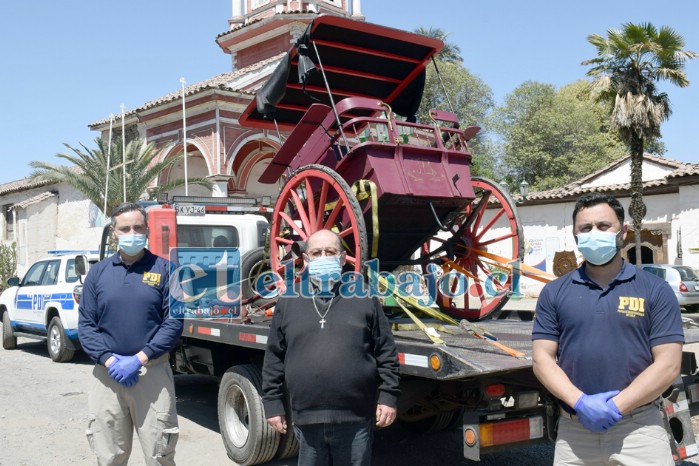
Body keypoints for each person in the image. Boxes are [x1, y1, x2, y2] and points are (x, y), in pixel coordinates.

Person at [532, 192, 684, 465]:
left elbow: (669, 365)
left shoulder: (656, 290)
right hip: (575, 431)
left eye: (603, 226)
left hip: (640, 428)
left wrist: (615, 407)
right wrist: (581, 404)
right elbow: (542, 359)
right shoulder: (553, 293)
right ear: (575, 236)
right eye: (585, 228)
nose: (594, 233)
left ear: (622, 232)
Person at [262, 229, 400, 466]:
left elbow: (386, 351)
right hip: (306, 419)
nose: (323, 257)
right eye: (316, 252)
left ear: (343, 258)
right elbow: (274, 357)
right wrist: (272, 404)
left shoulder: (364, 298)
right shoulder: (289, 301)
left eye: (330, 251)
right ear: (306, 260)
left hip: (355, 419)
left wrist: (388, 396)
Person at [79, 202, 183, 466]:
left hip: (152, 375)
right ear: (114, 232)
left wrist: (140, 358)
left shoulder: (166, 270)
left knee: (160, 454)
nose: (132, 233)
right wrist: (110, 360)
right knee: (109, 456)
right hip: (107, 377)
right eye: (125, 228)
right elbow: (87, 326)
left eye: (138, 227)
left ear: (147, 230)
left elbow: (174, 322)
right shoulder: (98, 273)